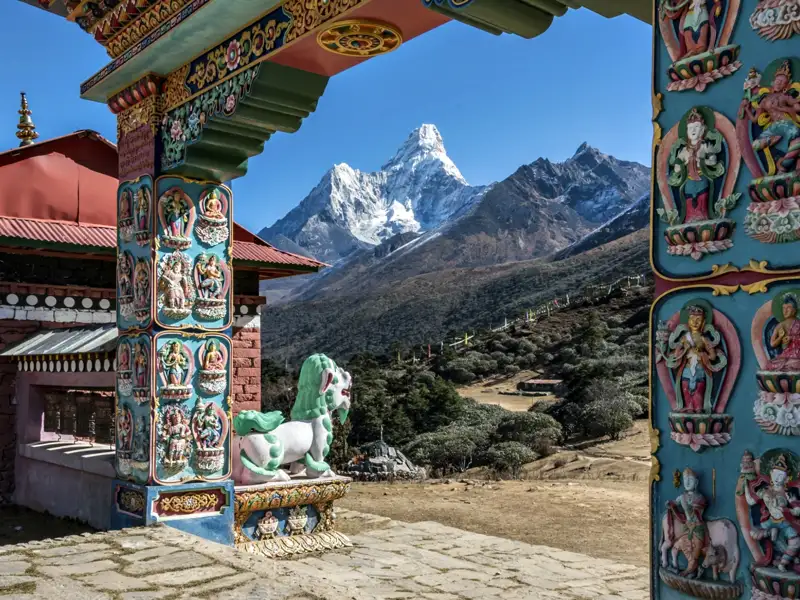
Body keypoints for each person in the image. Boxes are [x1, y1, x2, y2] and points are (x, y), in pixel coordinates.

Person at [744, 455, 800, 572]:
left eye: (781, 476)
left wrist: (787, 510)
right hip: (769, 521)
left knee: (795, 542)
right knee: (753, 533)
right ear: (770, 473)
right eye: (775, 474)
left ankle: (783, 562)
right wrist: (745, 484)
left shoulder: (788, 493)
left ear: (786, 478)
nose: (777, 478)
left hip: (784, 522)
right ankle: (770, 533)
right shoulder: (765, 490)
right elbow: (750, 501)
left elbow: (797, 510)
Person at [766, 294, 800, 372]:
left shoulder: (799, 323)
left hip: (797, 355)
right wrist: (780, 337)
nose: (785, 311)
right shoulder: (780, 325)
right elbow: (772, 344)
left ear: (794, 310)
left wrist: (792, 338)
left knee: (795, 363)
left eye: (788, 308)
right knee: (770, 364)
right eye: (783, 308)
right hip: (787, 355)